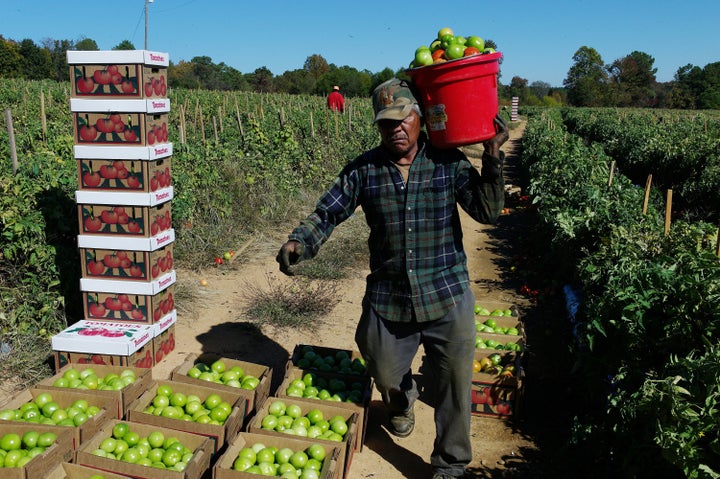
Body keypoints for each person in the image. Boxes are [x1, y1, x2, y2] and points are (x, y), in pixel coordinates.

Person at [277, 78, 508, 479]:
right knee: (382, 369)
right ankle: (402, 401)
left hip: (446, 292)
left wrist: (491, 156)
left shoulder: (447, 161)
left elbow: (486, 213)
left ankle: (450, 464)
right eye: (387, 123)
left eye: (404, 119)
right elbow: (329, 212)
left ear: (420, 118)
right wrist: (301, 241)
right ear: (378, 126)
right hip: (390, 295)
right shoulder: (364, 170)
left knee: (454, 383)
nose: (396, 129)